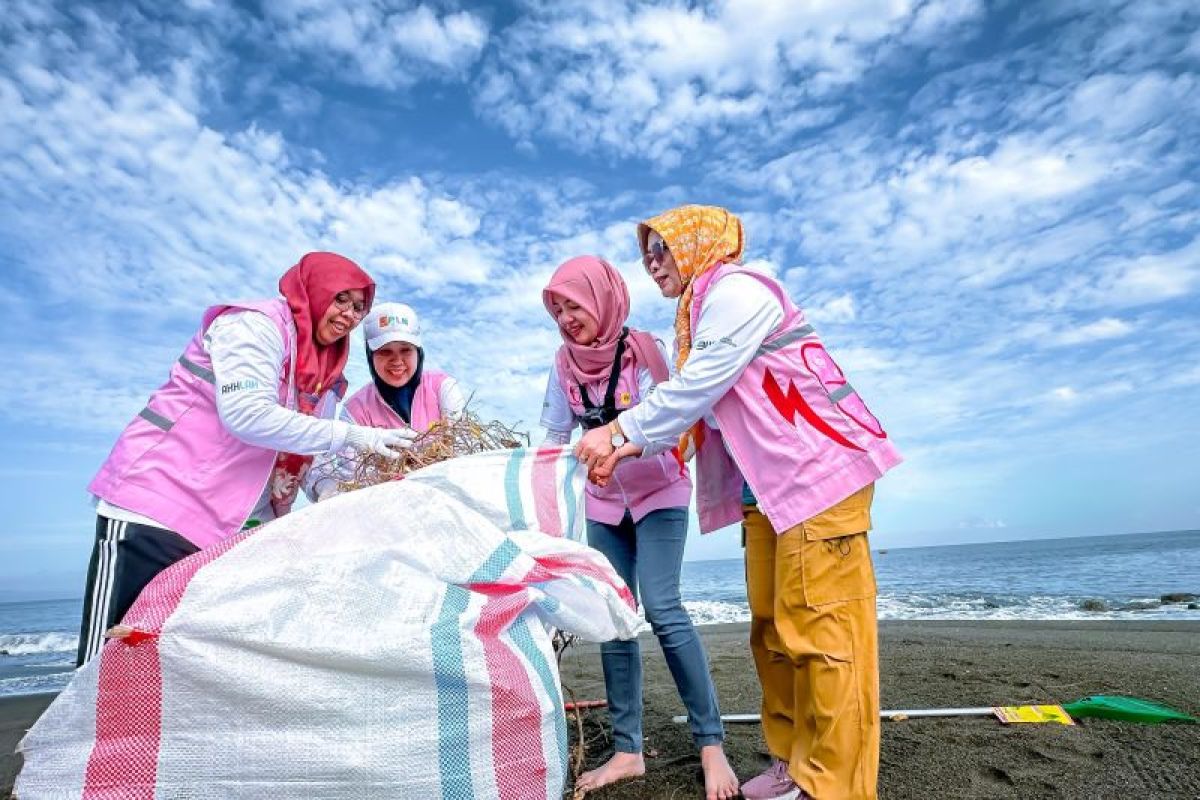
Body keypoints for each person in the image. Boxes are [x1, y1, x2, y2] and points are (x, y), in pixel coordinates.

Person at [577, 207, 903, 800]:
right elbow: (695, 407)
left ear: (697, 244)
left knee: (825, 639)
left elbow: (703, 380)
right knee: (775, 633)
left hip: (816, 478)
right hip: (769, 491)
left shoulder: (737, 290)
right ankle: (792, 764)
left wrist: (620, 434)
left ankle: (830, 787)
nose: (653, 265)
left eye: (663, 251)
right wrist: (626, 450)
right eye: (646, 255)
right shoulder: (698, 313)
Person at [79, 252, 414, 666]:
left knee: (181, 665)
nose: (348, 313)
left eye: (359, 307)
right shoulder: (255, 325)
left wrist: (348, 501)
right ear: (314, 289)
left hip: (234, 531)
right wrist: (357, 435)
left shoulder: (329, 377)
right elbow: (247, 414)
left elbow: (312, 456)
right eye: (340, 298)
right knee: (105, 662)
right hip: (159, 510)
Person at [540, 255, 739, 800]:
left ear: (602, 299)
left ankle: (711, 742)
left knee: (661, 605)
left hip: (660, 492)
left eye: (573, 305)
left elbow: (672, 417)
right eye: (557, 308)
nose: (566, 317)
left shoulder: (644, 349)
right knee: (614, 616)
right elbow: (554, 432)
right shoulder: (562, 364)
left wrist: (622, 450)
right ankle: (627, 750)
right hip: (604, 504)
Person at [306, 302, 467, 500]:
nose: (397, 361)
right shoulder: (355, 410)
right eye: (385, 351)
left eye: (406, 350)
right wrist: (329, 489)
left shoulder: (442, 388)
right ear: (369, 356)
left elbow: (461, 449)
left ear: (419, 351)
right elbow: (329, 471)